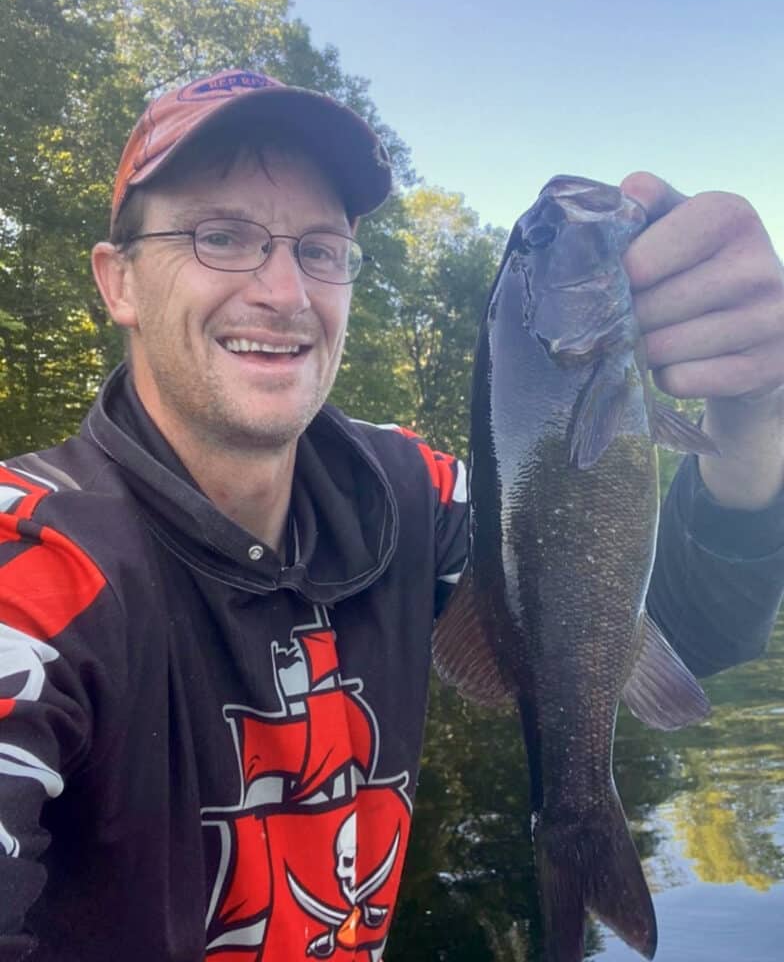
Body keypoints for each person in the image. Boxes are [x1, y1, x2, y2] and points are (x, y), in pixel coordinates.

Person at [0, 67, 781, 961]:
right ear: (119, 283)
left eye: (321, 249)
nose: (286, 293)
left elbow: (677, 622)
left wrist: (757, 412)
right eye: (222, 237)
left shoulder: (408, 497)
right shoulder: (30, 567)